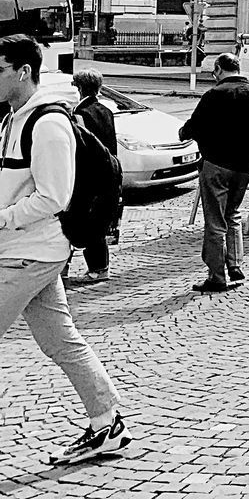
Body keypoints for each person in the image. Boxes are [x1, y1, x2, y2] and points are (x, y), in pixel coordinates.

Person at [0, 34, 132, 465]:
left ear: (22, 71)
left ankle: (107, 422)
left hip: (29, 251)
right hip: (24, 248)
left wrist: (2, 218)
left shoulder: (47, 123)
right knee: (61, 341)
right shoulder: (11, 120)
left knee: (61, 341)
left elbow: (53, 196)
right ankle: (107, 421)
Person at [178, 52, 249, 293]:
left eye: (213, 72)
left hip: (217, 164)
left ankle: (217, 276)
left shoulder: (215, 95)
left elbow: (194, 126)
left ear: (218, 69)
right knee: (233, 215)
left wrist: (183, 133)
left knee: (215, 221)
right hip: (245, 167)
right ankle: (235, 265)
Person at [70, 67, 120, 283]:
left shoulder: (80, 114)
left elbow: (80, 149)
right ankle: (101, 266)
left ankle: (97, 269)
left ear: (79, 88)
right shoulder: (105, 110)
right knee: (99, 222)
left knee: (88, 222)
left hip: (88, 176)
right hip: (108, 172)